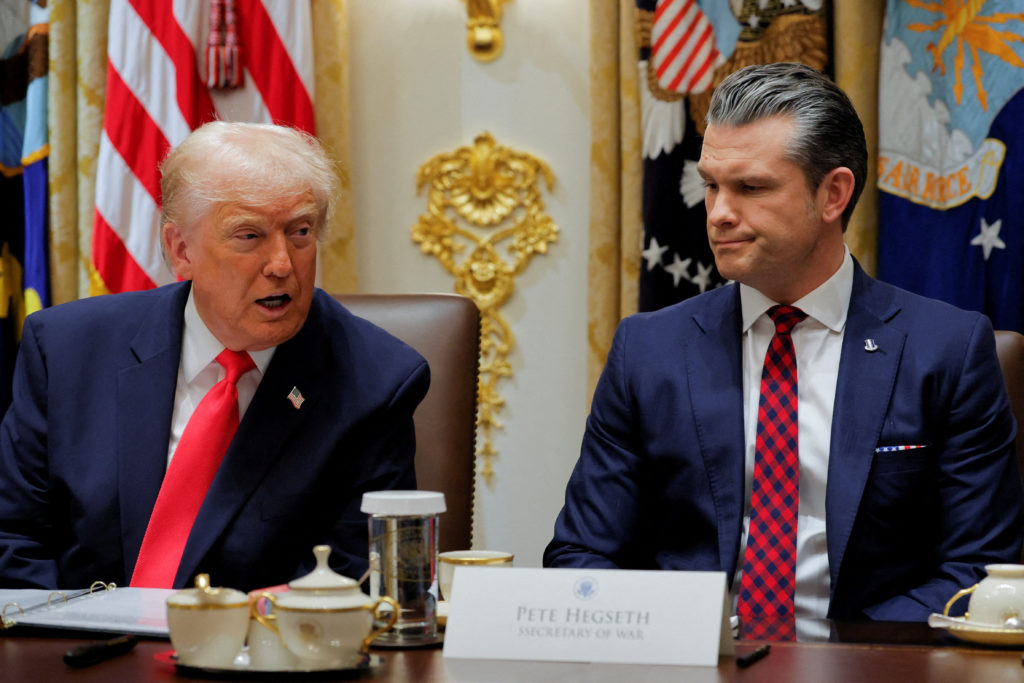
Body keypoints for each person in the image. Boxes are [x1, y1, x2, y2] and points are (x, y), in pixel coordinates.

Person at [544, 63, 1024, 626]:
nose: (719, 214)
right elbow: (583, 554)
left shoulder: (946, 351)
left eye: (751, 187)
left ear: (833, 194)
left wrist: (835, 662)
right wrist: (675, 637)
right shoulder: (648, 351)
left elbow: (978, 569)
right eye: (711, 185)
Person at [0, 122, 429, 591]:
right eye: (249, 236)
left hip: (251, 657)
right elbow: (12, 538)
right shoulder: (66, 350)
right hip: (75, 652)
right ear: (181, 251)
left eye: (300, 232)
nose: (283, 264)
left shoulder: (376, 382)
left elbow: (360, 577)